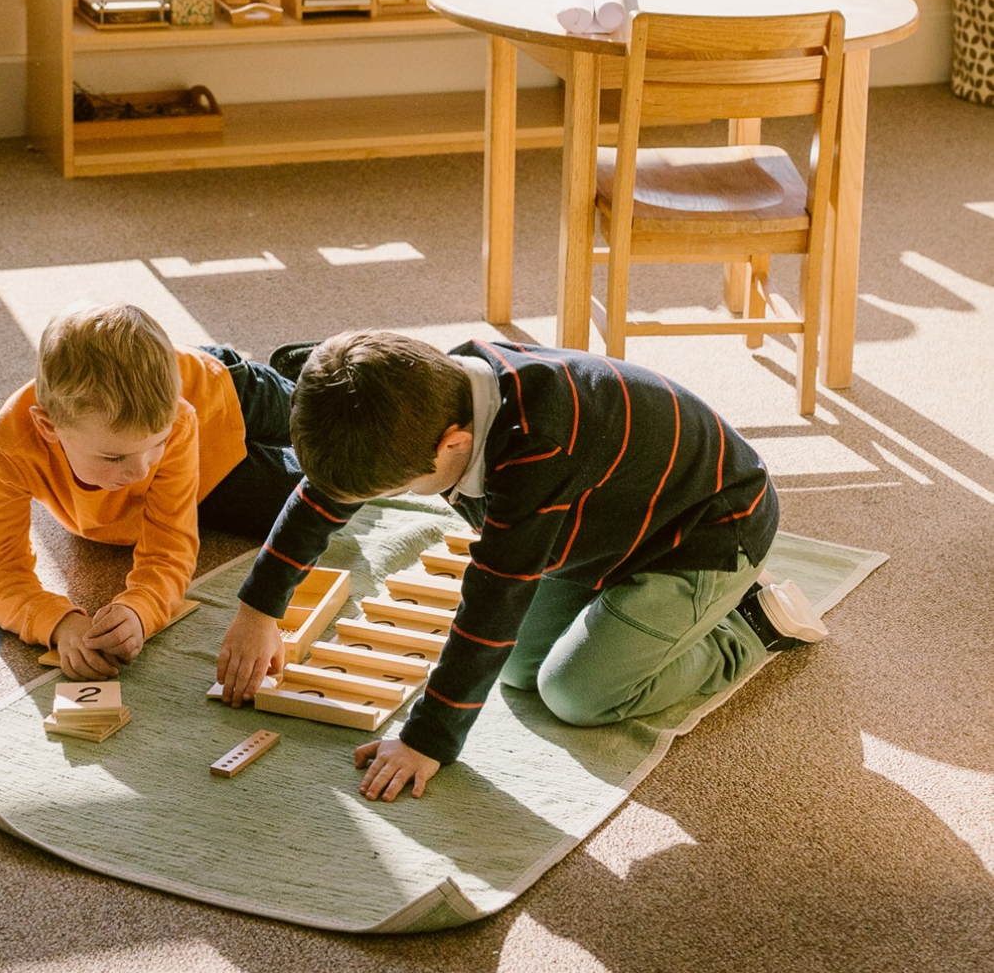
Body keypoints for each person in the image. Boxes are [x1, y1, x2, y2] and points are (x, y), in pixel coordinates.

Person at [217, 331, 826, 801]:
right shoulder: (423, 391)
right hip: (604, 524)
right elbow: (324, 494)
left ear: (452, 445)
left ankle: (748, 624)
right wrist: (259, 609)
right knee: (517, 670)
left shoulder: (536, 452)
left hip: (707, 534)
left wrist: (428, 739)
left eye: (404, 487)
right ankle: (643, 614)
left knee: (574, 693)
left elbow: (492, 602)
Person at [0, 302, 300, 678]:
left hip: (223, 390)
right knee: (300, 496)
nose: (141, 469)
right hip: (200, 478)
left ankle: (302, 366)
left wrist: (142, 608)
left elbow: (167, 551)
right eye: (114, 458)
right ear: (49, 427)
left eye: (155, 445)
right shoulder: (9, 444)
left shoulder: (176, 420)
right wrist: (60, 624)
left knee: (338, 434)